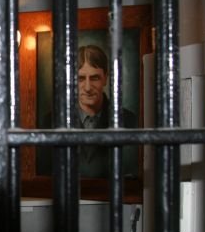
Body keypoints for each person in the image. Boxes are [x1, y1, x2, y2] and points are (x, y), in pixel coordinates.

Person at [38, 44, 137, 178]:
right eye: (80, 79)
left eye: (95, 78)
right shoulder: (51, 121)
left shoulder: (129, 120)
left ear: (106, 78)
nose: (88, 87)